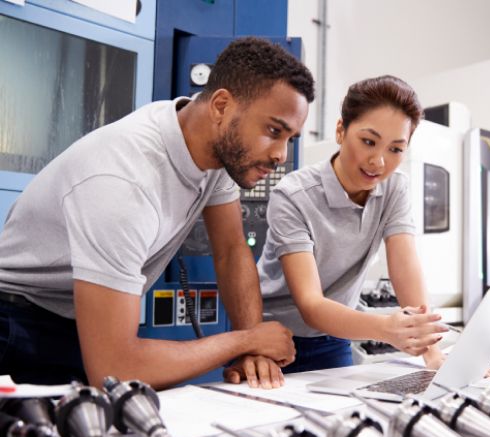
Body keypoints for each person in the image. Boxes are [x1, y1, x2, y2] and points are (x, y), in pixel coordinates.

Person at [0, 37, 315, 389]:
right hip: (16, 328)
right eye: (273, 131)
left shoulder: (214, 150)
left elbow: (230, 250)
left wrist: (253, 348)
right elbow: (114, 370)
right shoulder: (122, 181)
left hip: (77, 323)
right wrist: (246, 341)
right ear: (222, 106)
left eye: (291, 138)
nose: (281, 156)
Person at [224, 75, 447, 385]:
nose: (378, 161)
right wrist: (385, 328)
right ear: (341, 131)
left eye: (396, 149)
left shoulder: (395, 189)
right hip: (274, 341)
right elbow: (311, 304)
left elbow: (405, 269)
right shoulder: (294, 194)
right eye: (368, 141)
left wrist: (432, 352)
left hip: (334, 337)